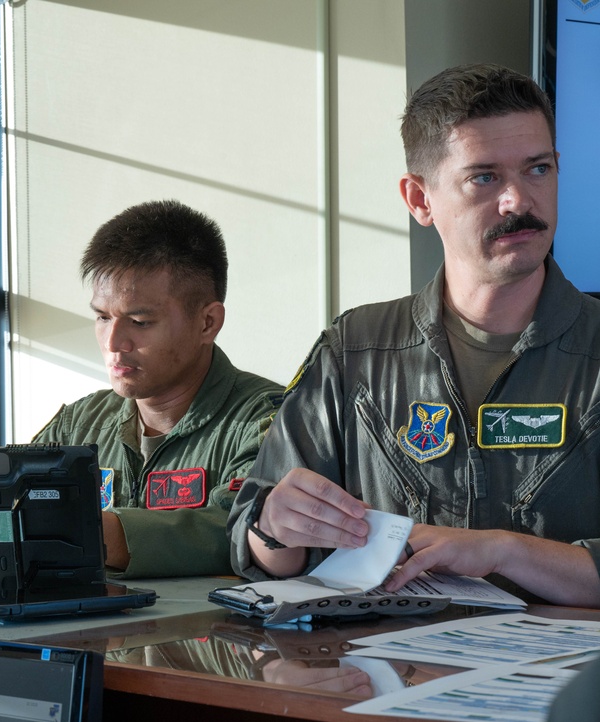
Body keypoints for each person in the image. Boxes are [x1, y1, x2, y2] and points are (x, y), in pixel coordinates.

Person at [228, 63, 600, 607]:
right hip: (386, 674)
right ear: (419, 200)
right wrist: (274, 527)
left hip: (565, 684)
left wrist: (502, 551)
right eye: (485, 177)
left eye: (538, 169)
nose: (519, 200)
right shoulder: (354, 349)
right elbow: (256, 547)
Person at [0, 200, 285, 577]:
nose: (113, 342)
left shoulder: (269, 420)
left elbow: (238, 526)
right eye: (102, 317)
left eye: (140, 322)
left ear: (208, 322)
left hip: (213, 664)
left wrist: (87, 530)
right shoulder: (83, 421)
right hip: (92, 647)